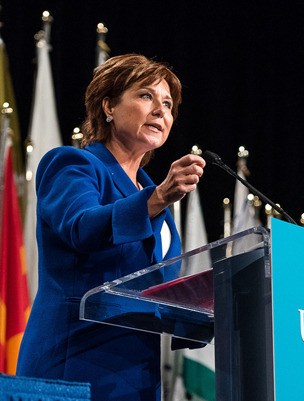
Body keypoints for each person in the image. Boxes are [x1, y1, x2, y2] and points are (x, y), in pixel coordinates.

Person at [16, 54, 206, 401]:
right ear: (108, 106)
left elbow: (156, 293)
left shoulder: (154, 201)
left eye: (167, 104)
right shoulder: (74, 165)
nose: (161, 111)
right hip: (74, 363)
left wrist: (221, 306)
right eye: (146, 96)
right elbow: (82, 227)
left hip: (137, 376)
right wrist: (157, 198)